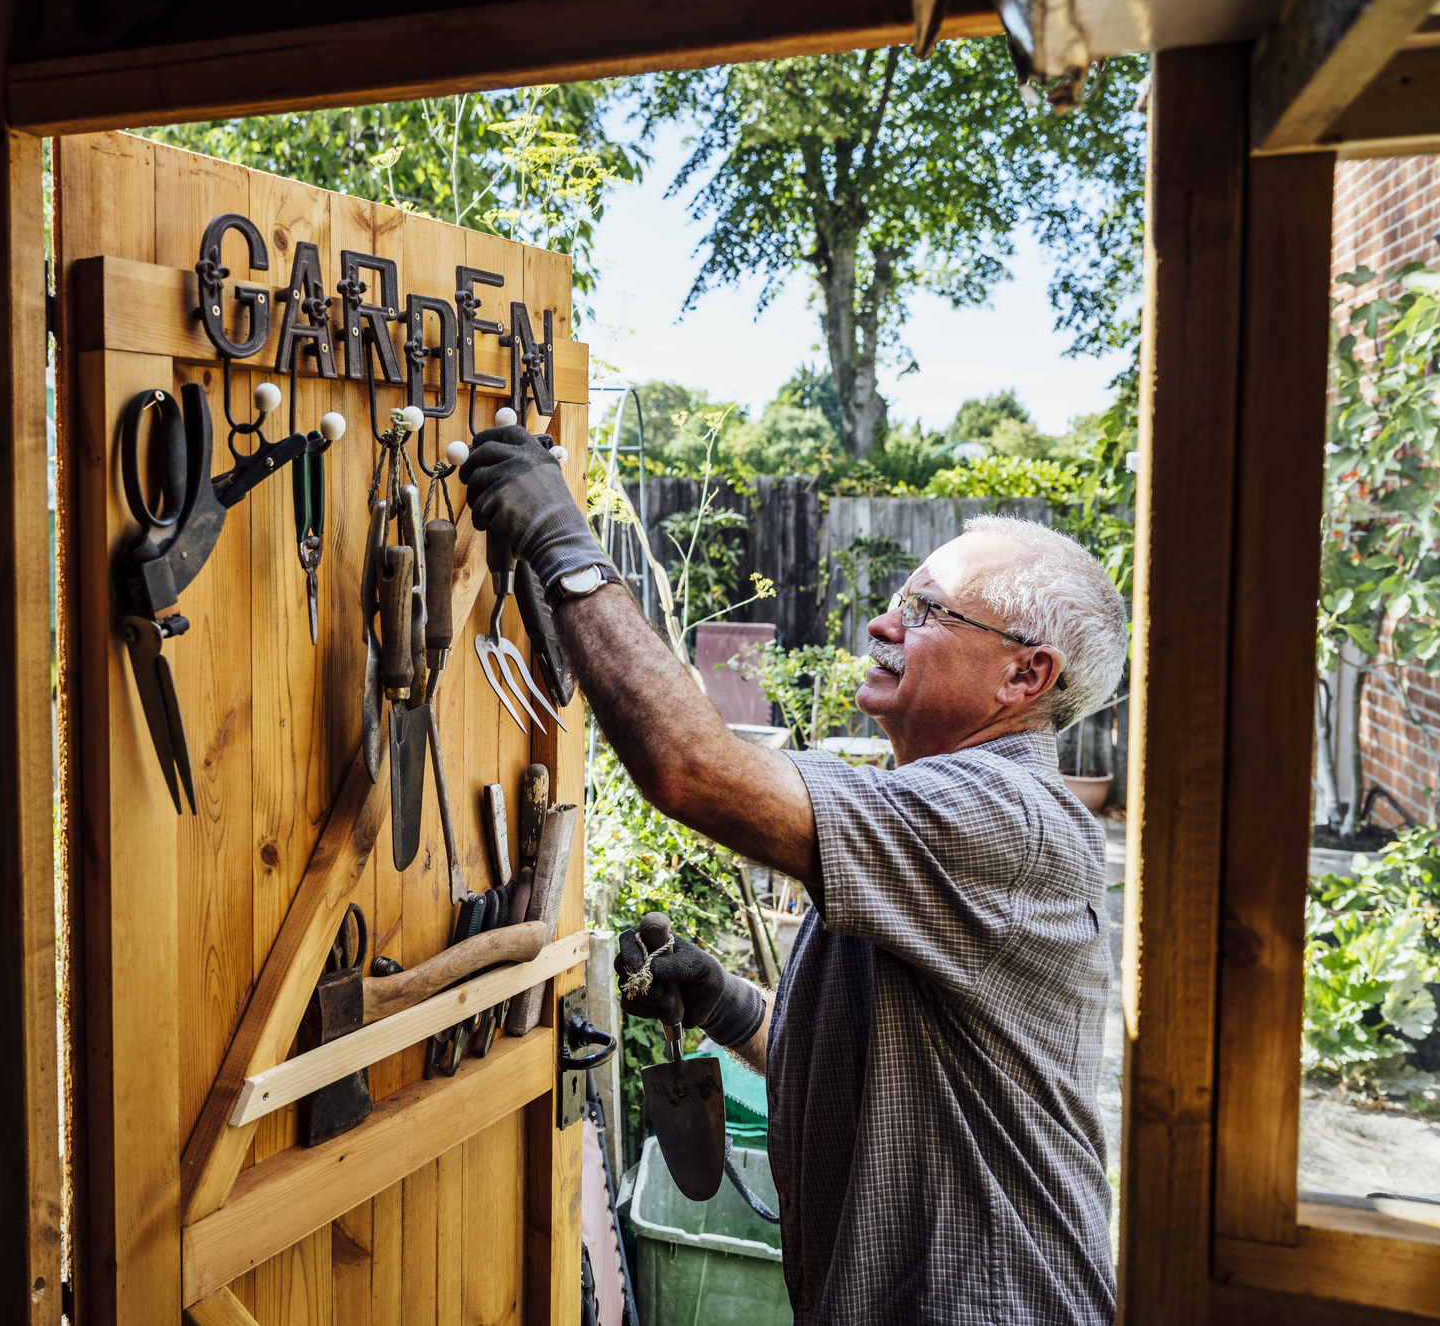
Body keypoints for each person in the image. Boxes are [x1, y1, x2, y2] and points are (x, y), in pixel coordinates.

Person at [460, 425, 1124, 1325]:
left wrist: (565, 548)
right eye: (900, 602)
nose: (883, 625)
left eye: (927, 613)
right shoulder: (934, 811)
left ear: (1024, 674)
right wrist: (730, 1007)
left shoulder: (1003, 818)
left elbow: (693, 769)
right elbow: (882, 1076)